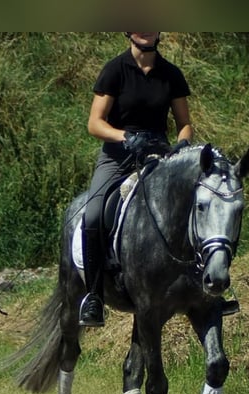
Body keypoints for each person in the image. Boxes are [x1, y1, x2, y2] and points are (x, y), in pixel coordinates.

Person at [79, 32, 194, 327]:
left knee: (199, 207)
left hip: (159, 157)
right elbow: (95, 123)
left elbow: (185, 124)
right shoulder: (115, 70)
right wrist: (125, 137)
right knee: (93, 215)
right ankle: (93, 296)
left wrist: (181, 147)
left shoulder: (171, 74)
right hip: (118, 156)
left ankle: (206, 288)